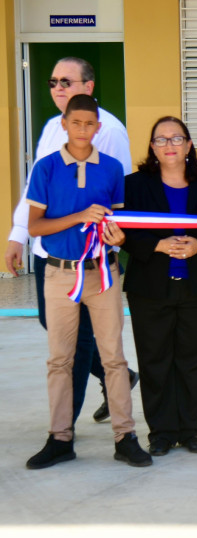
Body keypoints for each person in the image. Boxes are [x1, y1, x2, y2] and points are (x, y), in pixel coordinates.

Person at [5, 57, 137, 425]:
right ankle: (89, 406)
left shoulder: (109, 131)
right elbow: (37, 189)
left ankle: (67, 427)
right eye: (53, 82)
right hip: (52, 252)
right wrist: (18, 234)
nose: (59, 87)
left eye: (67, 81)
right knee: (59, 333)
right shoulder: (51, 127)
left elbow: (117, 197)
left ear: (89, 87)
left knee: (82, 346)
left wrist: (112, 243)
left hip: (93, 260)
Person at [25, 94, 151, 469]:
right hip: (59, 274)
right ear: (63, 124)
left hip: (103, 273)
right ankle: (60, 437)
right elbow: (36, 226)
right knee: (60, 360)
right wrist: (79, 215)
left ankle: (125, 436)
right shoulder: (46, 168)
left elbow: (120, 222)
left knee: (114, 358)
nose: (82, 129)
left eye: (89, 124)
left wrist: (117, 235)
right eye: (75, 122)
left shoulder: (111, 168)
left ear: (98, 127)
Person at [109, 117, 197, 456]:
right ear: (152, 148)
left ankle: (191, 430)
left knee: (193, 361)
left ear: (189, 145)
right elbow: (124, 231)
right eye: (161, 139)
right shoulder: (135, 185)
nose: (169, 145)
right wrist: (157, 246)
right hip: (150, 288)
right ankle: (160, 432)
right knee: (154, 360)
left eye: (177, 138)